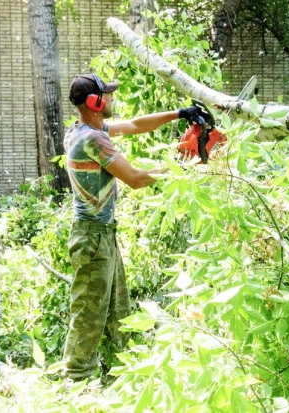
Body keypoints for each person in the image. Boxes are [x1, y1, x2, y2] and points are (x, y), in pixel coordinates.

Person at [62, 73, 203, 382]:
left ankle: (117, 381)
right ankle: (75, 385)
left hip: (101, 236)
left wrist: (181, 114)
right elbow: (137, 180)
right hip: (93, 238)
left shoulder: (82, 130)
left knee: (117, 316)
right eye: (107, 95)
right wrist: (186, 159)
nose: (112, 99)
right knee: (88, 317)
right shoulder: (91, 140)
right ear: (95, 102)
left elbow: (137, 125)